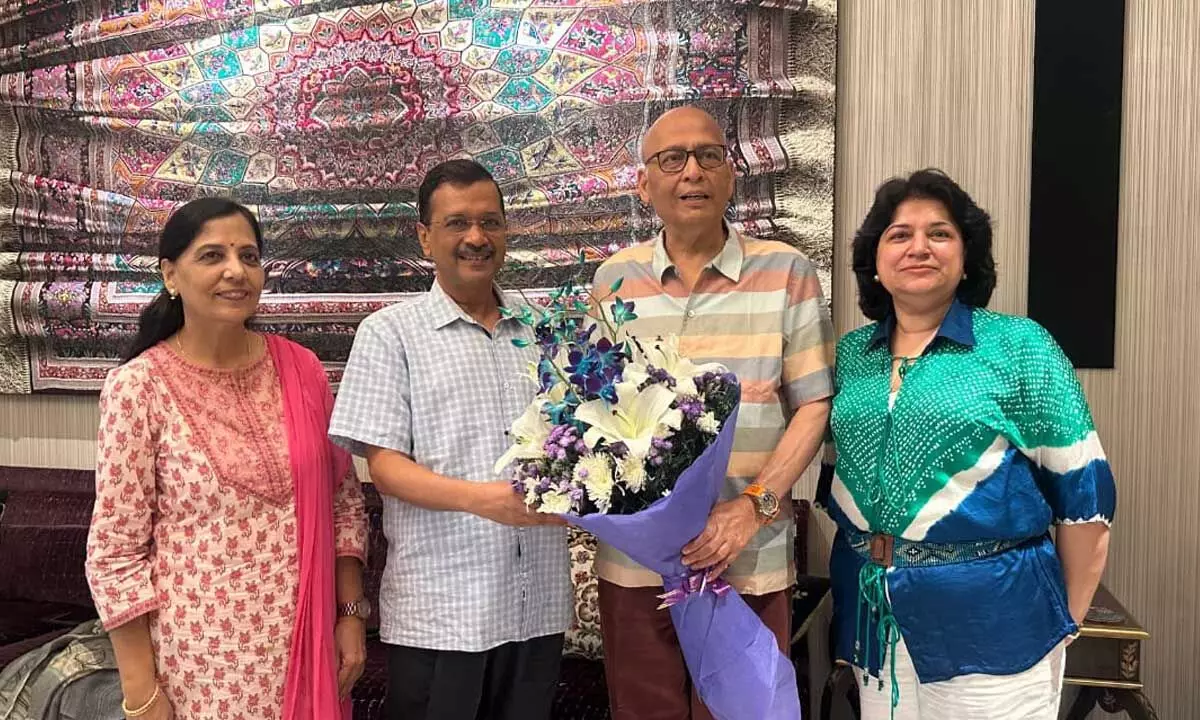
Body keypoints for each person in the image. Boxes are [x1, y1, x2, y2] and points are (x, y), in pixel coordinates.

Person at [818, 169, 1115, 719]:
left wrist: (1065, 620)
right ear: (875, 263)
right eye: (899, 234)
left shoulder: (1018, 345)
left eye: (940, 233)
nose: (919, 247)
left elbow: (1085, 497)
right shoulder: (853, 355)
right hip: (875, 623)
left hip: (997, 623)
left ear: (966, 255)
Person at [589, 106, 834, 719]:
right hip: (638, 569)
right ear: (644, 184)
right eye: (672, 158)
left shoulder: (787, 272)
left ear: (731, 175)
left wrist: (754, 508)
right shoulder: (614, 281)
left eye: (709, 155)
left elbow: (813, 406)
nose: (692, 171)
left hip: (747, 558)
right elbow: (594, 413)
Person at [85, 198, 369, 720]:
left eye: (249, 256)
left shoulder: (301, 370)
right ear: (171, 274)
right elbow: (114, 554)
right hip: (199, 665)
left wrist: (350, 614)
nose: (235, 271)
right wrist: (141, 693)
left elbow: (344, 502)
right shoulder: (137, 388)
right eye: (212, 255)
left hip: (304, 645)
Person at [328, 159, 571, 720]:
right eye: (457, 223)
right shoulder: (390, 333)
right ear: (425, 237)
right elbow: (386, 469)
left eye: (490, 222)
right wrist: (487, 501)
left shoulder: (544, 329)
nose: (476, 238)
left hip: (539, 602)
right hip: (443, 610)